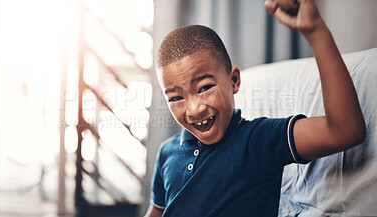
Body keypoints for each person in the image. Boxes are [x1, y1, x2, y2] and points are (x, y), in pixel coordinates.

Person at [145, 0, 366, 216]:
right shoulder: (167, 152)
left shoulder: (258, 140)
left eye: (204, 88)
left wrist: (316, 32)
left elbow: (344, 130)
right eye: (175, 98)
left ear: (234, 81)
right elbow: (157, 211)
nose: (194, 109)